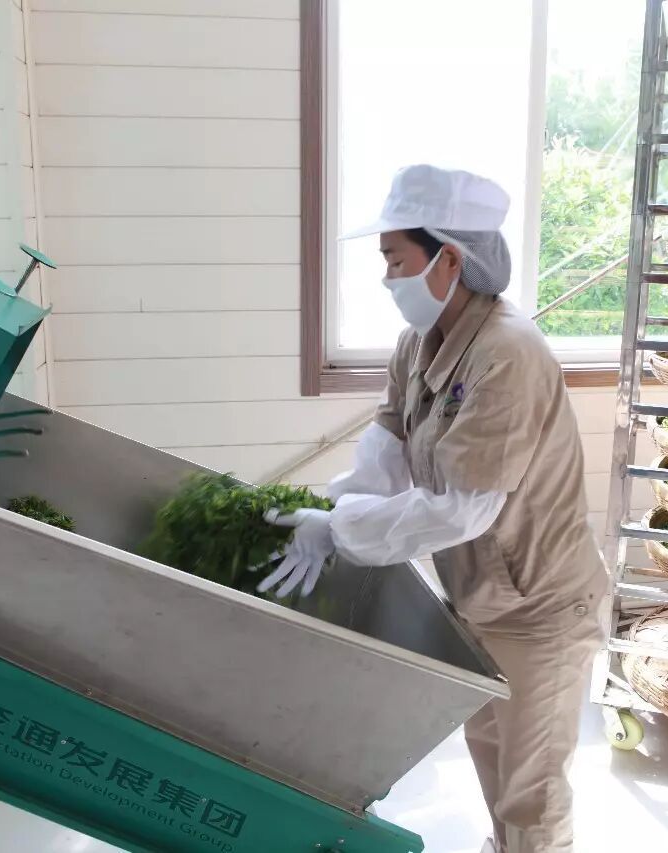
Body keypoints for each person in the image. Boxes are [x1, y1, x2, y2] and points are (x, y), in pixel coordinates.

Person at [257, 164, 608, 853]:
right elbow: (384, 457)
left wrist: (339, 531)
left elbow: (461, 510)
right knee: (491, 753)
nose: (388, 277)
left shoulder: (509, 353)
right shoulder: (419, 343)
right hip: (477, 597)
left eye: (397, 260)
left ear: (449, 258)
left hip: (542, 607)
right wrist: (316, 508)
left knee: (531, 790)